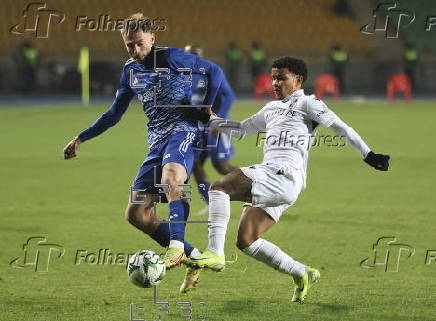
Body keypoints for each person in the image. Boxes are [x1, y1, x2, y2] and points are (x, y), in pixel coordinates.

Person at [187, 57, 390, 303]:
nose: (275, 82)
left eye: (281, 77)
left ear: (298, 79)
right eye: (273, 77)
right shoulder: (271, 108)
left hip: (283, 175)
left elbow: (341, 128)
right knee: (247, 241)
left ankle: (215, 253)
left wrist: (368, 154)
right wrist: (211, 118)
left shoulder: (309, 103)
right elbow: (240, 129)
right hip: (276, 179)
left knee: (220, 187)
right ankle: (302, 273)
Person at [63, 13, 223, 293]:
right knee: (137, 215)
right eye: (129, 46)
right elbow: (114, 114)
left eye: (140, 44)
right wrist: (81, 138)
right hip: (157, 143)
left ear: (152, 38)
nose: (136, 51)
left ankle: (175, 247)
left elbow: (215, 72)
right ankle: (195, 257)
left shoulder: (172, 58)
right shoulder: (130, 72)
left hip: (183, 130)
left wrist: (207, 107)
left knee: (172, 179)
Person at [184, 44, 237, 216]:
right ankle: (211, 203)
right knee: (194, 165)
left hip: (214, 126)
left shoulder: (212, 72)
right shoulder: (181, 75)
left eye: (195, 54)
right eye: (189, 54)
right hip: (195, 128)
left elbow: (228, 96)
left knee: (221, 166)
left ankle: (258, 185)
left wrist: (218, 119)